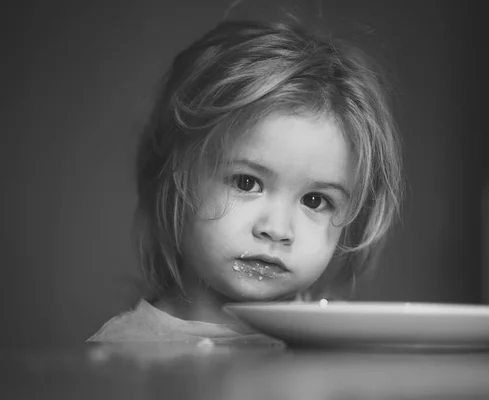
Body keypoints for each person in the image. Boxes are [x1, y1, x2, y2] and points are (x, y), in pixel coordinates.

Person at [88, 15, 404, 344]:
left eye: (315, 200)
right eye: (246, 183)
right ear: (178, 177)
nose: (277, 230)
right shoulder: (121, 353)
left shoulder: (339, 344)